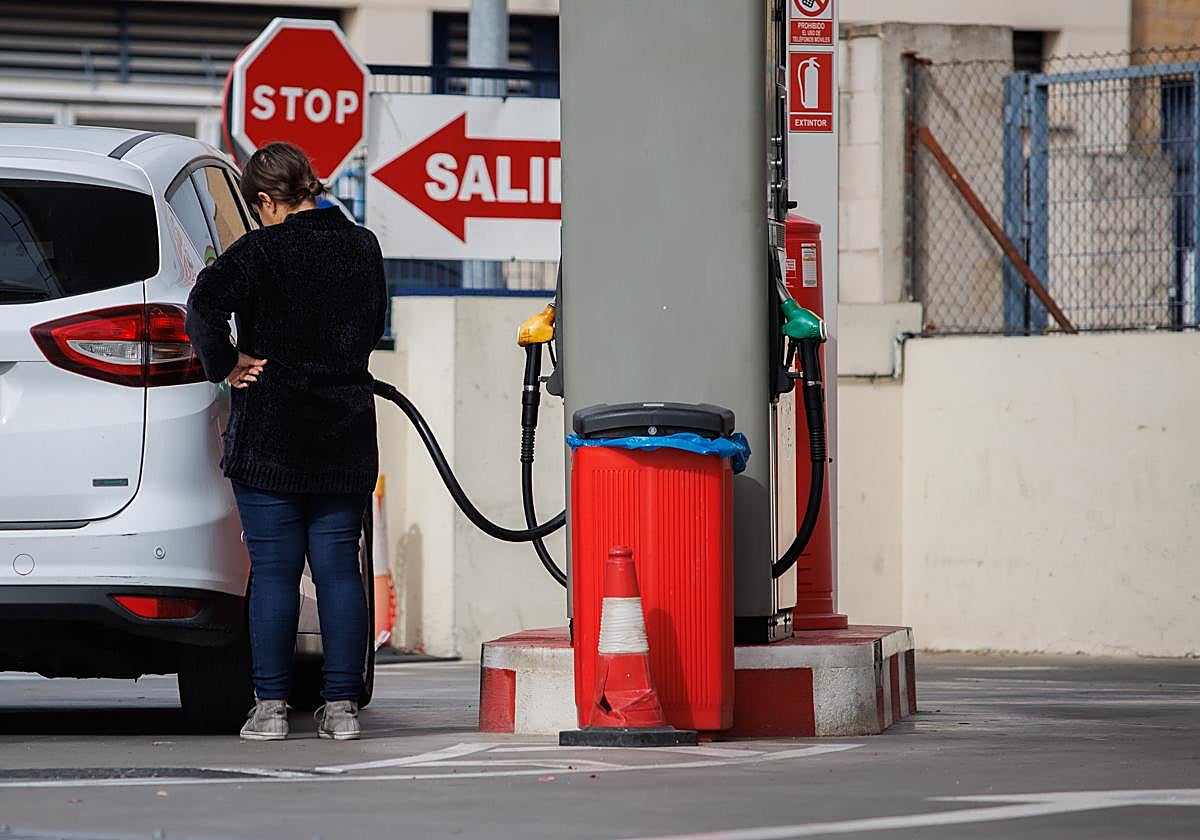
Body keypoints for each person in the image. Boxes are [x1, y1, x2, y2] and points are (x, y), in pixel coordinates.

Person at [186, 142, 387, 741]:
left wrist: (226, 362)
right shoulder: (363, 246)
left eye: (259, 207)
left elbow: (202, 306)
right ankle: (343, 710)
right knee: (338, 572)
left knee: (274, 573)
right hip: (344, 428)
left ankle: (271, 710)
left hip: (271, 431)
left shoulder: (258, 251)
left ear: (268, 201)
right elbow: (372, 325)